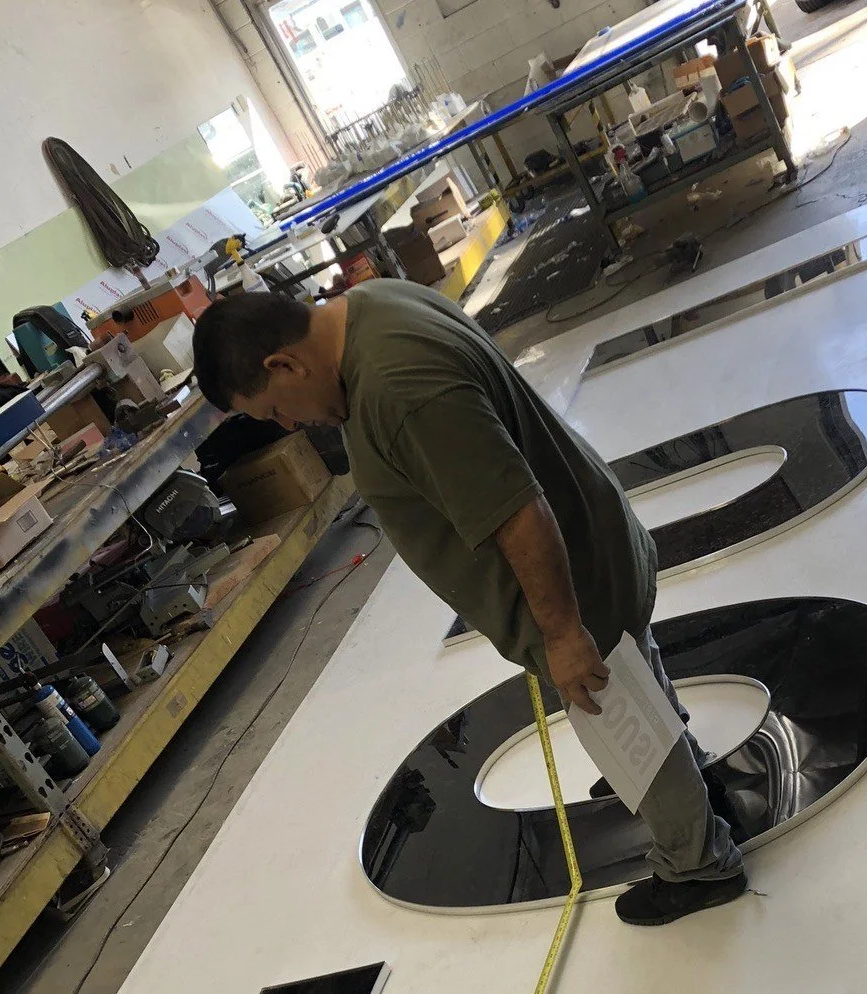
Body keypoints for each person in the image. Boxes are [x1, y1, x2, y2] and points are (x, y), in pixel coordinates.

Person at [192, 284, 745, 925]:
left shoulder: (398, 391)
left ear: (283, 365)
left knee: (621, 718)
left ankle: (699, 865)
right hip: (588, 540)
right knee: (635, 681)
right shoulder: (373, 304)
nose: (289, 425)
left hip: (571, 589)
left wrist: (563, 634)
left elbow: (519, 515)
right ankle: (689, 779)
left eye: (275, 410)